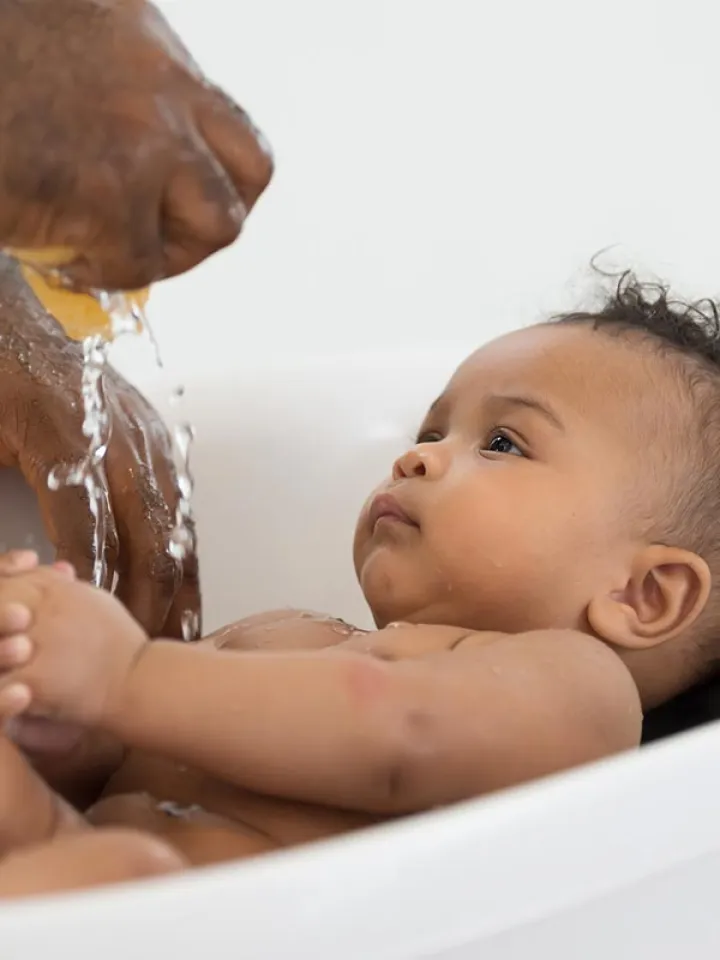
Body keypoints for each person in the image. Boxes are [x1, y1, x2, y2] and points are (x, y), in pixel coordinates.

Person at [0, 273, 716, 894]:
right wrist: (63, 725)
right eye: (431, 432)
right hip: (80, 861)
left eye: (502, 443)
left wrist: (123, 675)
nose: (418, 458)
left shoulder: (579, 690)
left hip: (202, 921)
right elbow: (125, 767)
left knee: (125, 869)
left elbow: (402, 736)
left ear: (642, 596)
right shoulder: (288, 633)